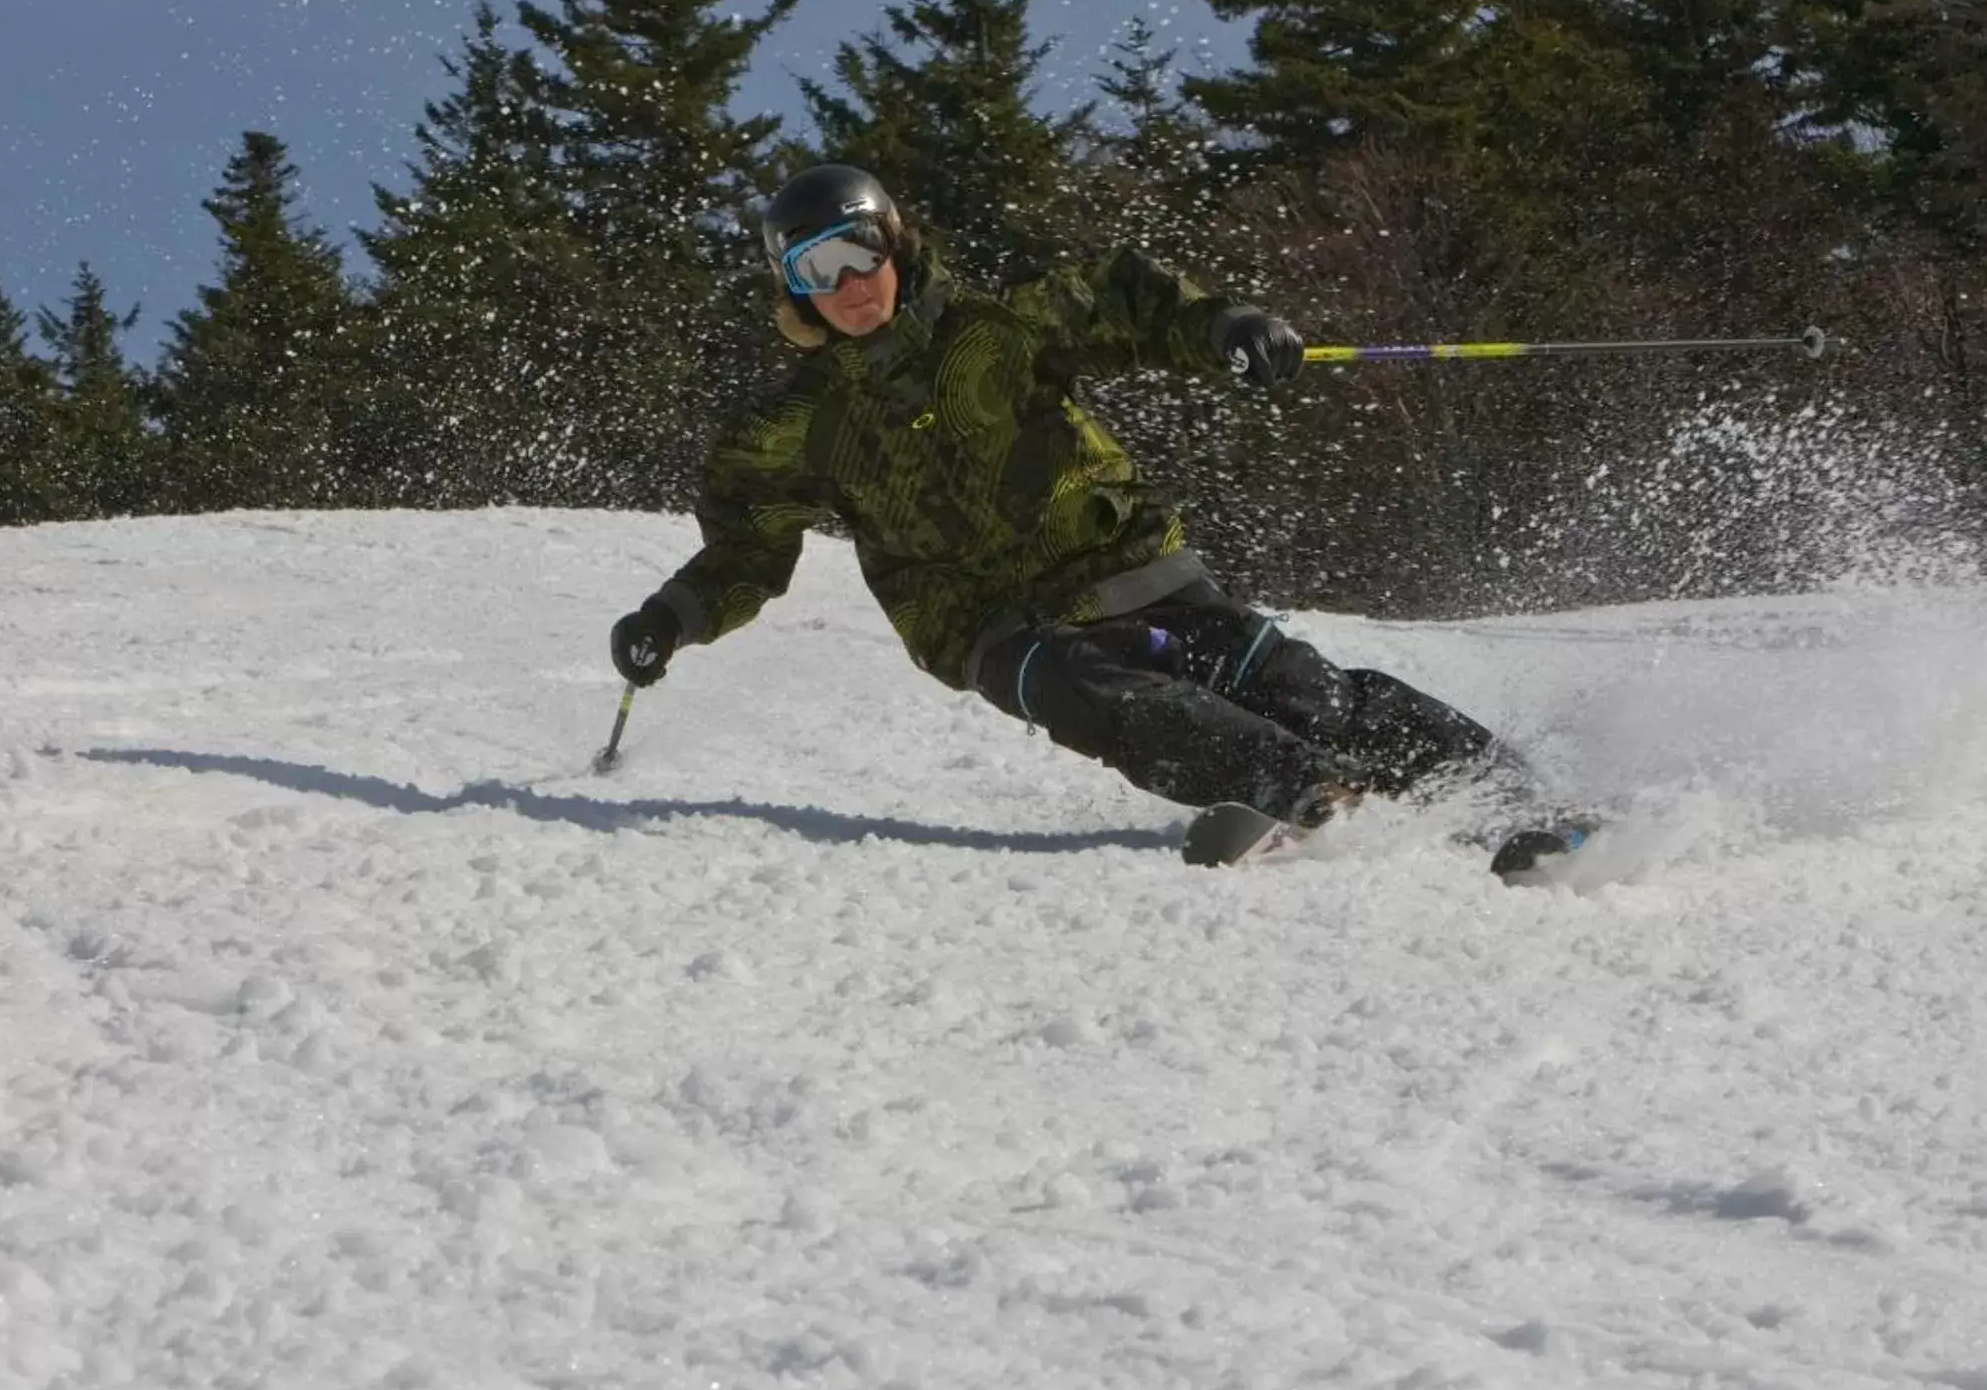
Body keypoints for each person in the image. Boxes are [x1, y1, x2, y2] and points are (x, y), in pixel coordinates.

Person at [609, 163, 1581, 873]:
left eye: (858, 252)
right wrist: (673, 618)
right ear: (796, 296)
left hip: (1122, 560)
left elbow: (1125, 303)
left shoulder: (992, 329)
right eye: (817, 274)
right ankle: (1303, 795)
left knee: (1300, 688)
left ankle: (1520, 810)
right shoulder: (795, 422)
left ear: (893, 242)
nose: (849, 287)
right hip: (991, 623)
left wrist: (1227, 329)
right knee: (1101, 694)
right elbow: (747, 545)